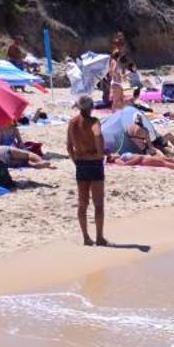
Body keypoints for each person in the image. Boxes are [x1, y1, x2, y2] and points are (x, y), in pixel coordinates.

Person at [67, 96, 107, 245]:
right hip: (95, 163)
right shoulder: (94, 122)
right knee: (98, 204)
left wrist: (76, 161)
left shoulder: (72, 123)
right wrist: (100, 153)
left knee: (82, 203)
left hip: (81, 164)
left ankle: (85, 237)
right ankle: (100, 237)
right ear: (90, 107)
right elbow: (98, 138)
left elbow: (69, 147)